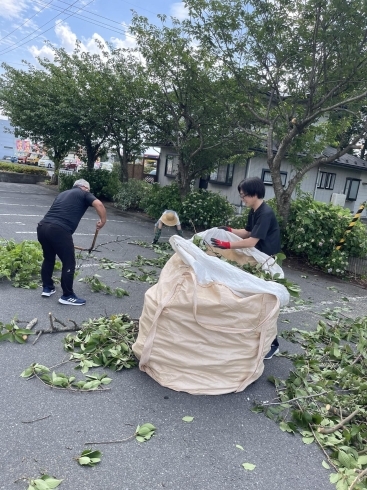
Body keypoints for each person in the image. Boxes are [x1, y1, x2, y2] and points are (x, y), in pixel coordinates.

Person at [210, 177, 281, 359]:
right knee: (253, 300)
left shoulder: (265, 213)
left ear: (254, 194)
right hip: (258, 259)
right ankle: (254, 338)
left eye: (244, 196)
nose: (243, 199)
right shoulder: (254, 211)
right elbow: (248, 232)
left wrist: (226, 244)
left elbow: (251, 241)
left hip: (267, 262)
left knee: (264, 301)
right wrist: (229, 230)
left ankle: (273, 344)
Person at [37, 178, 107, 306]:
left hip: (43, 226)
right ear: (85, 187)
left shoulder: (62, 194)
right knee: (69, 262)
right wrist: (103, 221)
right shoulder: (84, 193)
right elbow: (99, 204)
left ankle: (47, 288)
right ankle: (67, 295)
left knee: (48, 258)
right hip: (59, 230)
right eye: (89, 190)